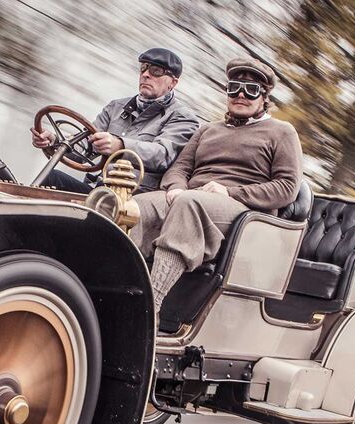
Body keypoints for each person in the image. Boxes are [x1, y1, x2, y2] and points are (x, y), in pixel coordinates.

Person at [129, 57, 303, 317]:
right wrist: (175, 187)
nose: (240, 94)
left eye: (251, 89)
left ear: (264, 97)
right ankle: (121, 291)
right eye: (234, 88)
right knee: (133, 206)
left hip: (243, 212)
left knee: (189, 205)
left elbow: (287, 187)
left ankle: (149, 308)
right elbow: (180, 167)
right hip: (191, 197)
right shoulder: (208, 129)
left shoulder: (282, 132)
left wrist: (229, 192)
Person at [30, 48, 199, 193]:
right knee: (51, 180)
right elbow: (84, 150)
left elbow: (162, 155)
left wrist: (120, 145)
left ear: (173, 82)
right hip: (99, 188)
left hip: (134, 198)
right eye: (144, 68)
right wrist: (54, 141)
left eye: (156, 71)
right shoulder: (116, 107)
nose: (146, 75)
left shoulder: (182, 117)